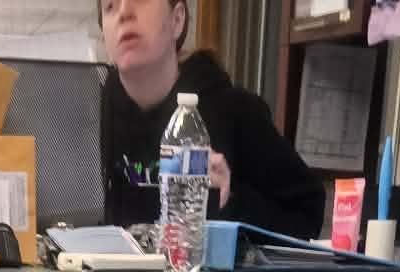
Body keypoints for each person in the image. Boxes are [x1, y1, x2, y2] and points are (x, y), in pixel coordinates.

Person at [99, 0, 324, 242]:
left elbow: (307, 216)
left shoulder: (234, 111)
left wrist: (230, 204)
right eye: (110, 6)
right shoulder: (88, 114)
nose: (124, 12)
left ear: (177, 20)